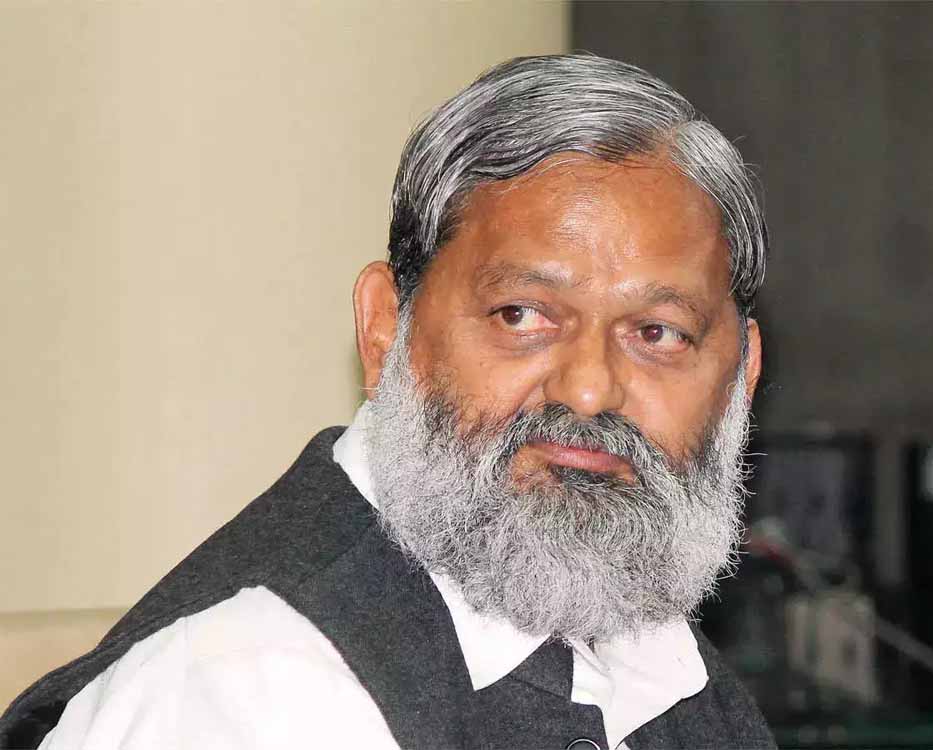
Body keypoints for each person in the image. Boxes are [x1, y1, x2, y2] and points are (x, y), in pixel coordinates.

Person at [0, 54, 774, 750]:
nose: (589, 388)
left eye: (658, 333)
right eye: (521, 316)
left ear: (741, 377)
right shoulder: (249, 691)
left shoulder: (660, 661)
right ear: (384, 330)